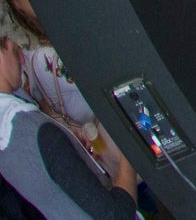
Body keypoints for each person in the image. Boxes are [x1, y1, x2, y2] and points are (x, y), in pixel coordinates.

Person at [0, 26, 141, 218]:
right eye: (15, 51)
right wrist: (131, 142)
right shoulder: (33, 130)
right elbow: (116, 216)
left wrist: (70, 153)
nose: (22, 59)